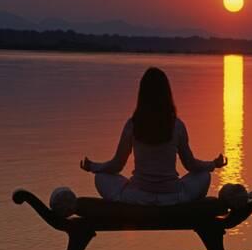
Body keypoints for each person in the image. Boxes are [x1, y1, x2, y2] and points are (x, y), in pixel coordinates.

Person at [79, 67, 228, 205]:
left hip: (138, 195)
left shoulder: (133, 124)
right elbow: (190, 165)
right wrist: (212, 165)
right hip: (172, 196)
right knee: (204, 176)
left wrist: (94, 167)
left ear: (142, 95)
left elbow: (117, 165)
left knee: (100, 177)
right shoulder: (177, 125)